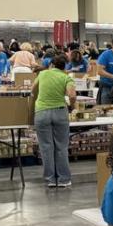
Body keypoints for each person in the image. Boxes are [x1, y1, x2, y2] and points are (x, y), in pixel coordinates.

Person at [31, 53, 76, 187]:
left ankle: (50, 180)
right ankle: (64, 180)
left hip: (41, 113)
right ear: (64, 67)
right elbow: (72, 96)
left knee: (46, 147)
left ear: (51, 65)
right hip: (60, 112)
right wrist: (71, 106)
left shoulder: (43, 74)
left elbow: (32, 91)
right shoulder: (66, 78)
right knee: (61, 147)